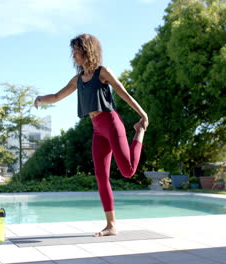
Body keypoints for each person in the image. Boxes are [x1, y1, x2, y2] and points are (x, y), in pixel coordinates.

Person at [33, 33, 148, 237]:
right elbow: (58, 96)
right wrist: (41, 99)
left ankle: (139, 133)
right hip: (97, 129)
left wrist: (142, 115)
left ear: (87, 52)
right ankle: (111, 225)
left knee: (128, 171)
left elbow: (123, 93)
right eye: (73, 52)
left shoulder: (102, 72)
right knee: (101, 177)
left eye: (77, 52)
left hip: (112, 125)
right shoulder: (78, 79)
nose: (74, 56)